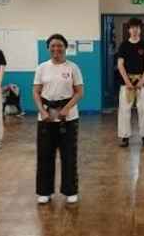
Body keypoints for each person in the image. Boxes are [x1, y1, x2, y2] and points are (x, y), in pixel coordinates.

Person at [33, 34, 84, 205]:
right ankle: (44, 192)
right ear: (48, 48)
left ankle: (70, 190)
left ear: (65, 47)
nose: (56, 49)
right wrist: (42, 111)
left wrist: (67, 109)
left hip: (68, 118)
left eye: (60, 45)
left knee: (69, 155)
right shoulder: (42, 68)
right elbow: (36, 92)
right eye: (53, 46)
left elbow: (79, 92)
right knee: (45, 155)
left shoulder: (73, 68)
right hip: (46, 117)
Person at [116, 18, 144, 148]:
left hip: (142, 83)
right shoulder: (124, 45)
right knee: (124, 110)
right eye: (132, 28)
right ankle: (125, 137)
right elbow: (120, 65)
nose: (135, 30)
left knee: (143, 109)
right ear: (129, 30)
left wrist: (142, 80)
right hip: (126, 83)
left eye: (137, 27)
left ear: (140, 29)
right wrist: (127, 82)